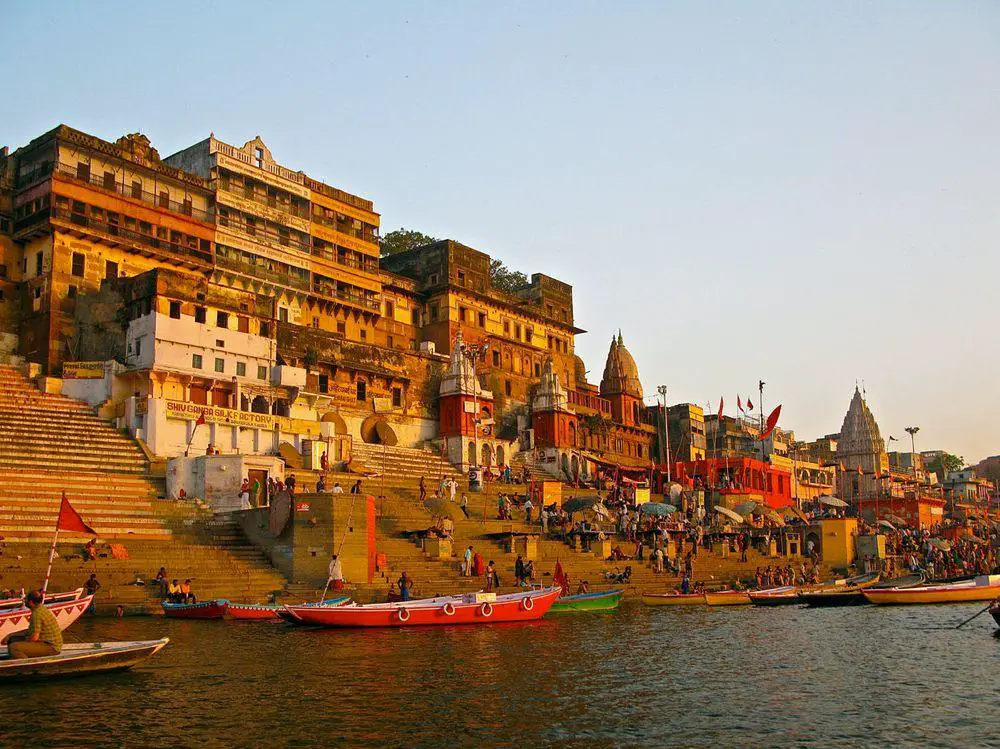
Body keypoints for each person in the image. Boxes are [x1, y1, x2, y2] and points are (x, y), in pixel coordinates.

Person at [7, 591, 62, 659]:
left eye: (26, 600)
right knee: (12, 639)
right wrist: (11, 635)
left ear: (30, 602)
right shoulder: (41, 608)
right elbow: (32, 630)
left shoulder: (37, 614)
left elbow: (34, 638)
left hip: (51, 647)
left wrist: (24, 643)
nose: (24, 601)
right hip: (46, 643)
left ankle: (27, 666)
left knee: (13, 647)